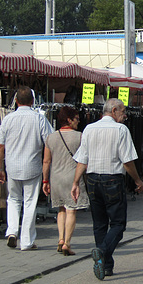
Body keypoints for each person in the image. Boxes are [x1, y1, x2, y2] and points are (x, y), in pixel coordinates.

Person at [71, 98, 143, 280]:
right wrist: (137, 180)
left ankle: (106, 266)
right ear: (113, 110)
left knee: (100, 224)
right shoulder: (121, 130)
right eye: (123, 111)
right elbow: (127, 160)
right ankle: (102, 252)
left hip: (93, 180)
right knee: (118, 224)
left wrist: (76, 182)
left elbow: (83, 159)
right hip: (112, 179)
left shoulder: (89, 129)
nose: (125, 115)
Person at [0, 86, 54, 251]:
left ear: (16, 101)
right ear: (33, 101)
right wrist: (47, 164)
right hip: (32, 166)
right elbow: (49, 141)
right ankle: (27, 241)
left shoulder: (8, 119)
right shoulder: (39, 119)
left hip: (12, 166)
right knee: (29, 202)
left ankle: (12, 231)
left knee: (13, 199)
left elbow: (0, 145)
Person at [42, 106, 88, 256]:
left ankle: (60, 239)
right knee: (71, 210)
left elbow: (46, 161)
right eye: (76, 118)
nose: (78, 121)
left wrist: (45, 180)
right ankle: (67, 243)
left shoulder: (51, 137)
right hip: (72, 176)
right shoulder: (80, 136)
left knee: (61, 209)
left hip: (56, 177)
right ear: (69, 119)